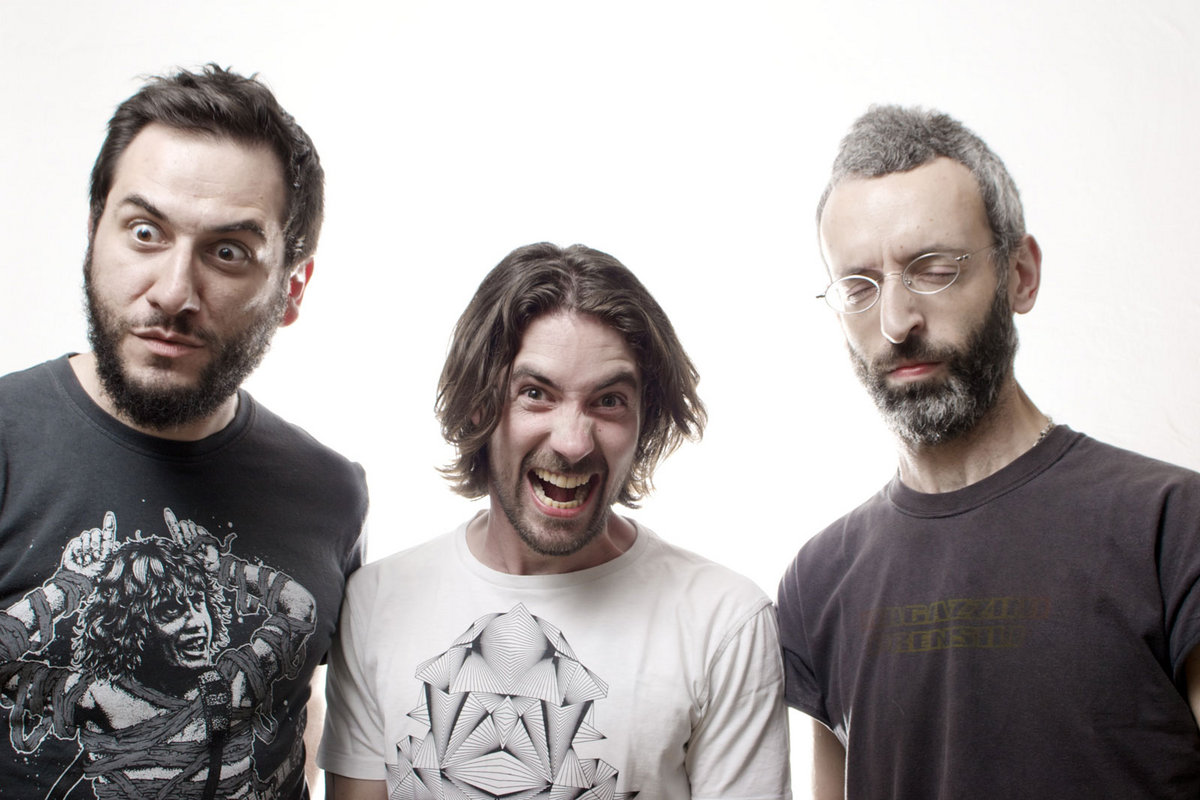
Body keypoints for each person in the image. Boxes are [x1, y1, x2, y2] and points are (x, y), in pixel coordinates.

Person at [777, 105, 1200, 799]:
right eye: (859, 287)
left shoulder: (1171, 526)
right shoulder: (819, 578)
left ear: (1020, 275)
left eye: (933, 269)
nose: (896, 322)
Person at [0, 65, 368, 799]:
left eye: (228, 251)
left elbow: (297, 702)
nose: (173, 292)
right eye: (145, 232)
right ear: (93, 235)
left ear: (291, 289)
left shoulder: (330, 492)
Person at [318, 242, 790, 800]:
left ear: (645, 421)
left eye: (608, 401)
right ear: (479, 406)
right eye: (536, 394)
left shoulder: (723, 621)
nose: (572, 442)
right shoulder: (377, 602)